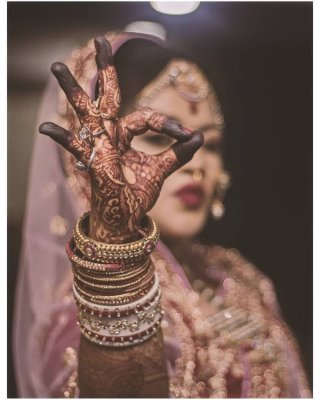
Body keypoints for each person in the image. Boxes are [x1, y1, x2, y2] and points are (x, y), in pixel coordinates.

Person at [13, 31, 311, 398]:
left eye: (210, 144)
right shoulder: (77, 313)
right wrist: (115, 244)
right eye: (157, 137)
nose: (195, 164)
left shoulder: (242, 280)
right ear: (90, 158)